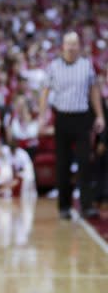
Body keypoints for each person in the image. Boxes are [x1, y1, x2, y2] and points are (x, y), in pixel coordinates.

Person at [39, 31, 104, 219]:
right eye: (69, 44)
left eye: (75, 43)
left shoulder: (86, 66)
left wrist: (99, 116)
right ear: (63, 46)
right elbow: (45, 92)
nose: (72, 47)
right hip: (62, 118)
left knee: (85, 162)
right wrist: (42, 117)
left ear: (79, 46)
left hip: (83, 118)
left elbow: (93, 91)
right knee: (63, 163)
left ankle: (86, 205)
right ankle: (64, 207)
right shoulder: (54, 67)